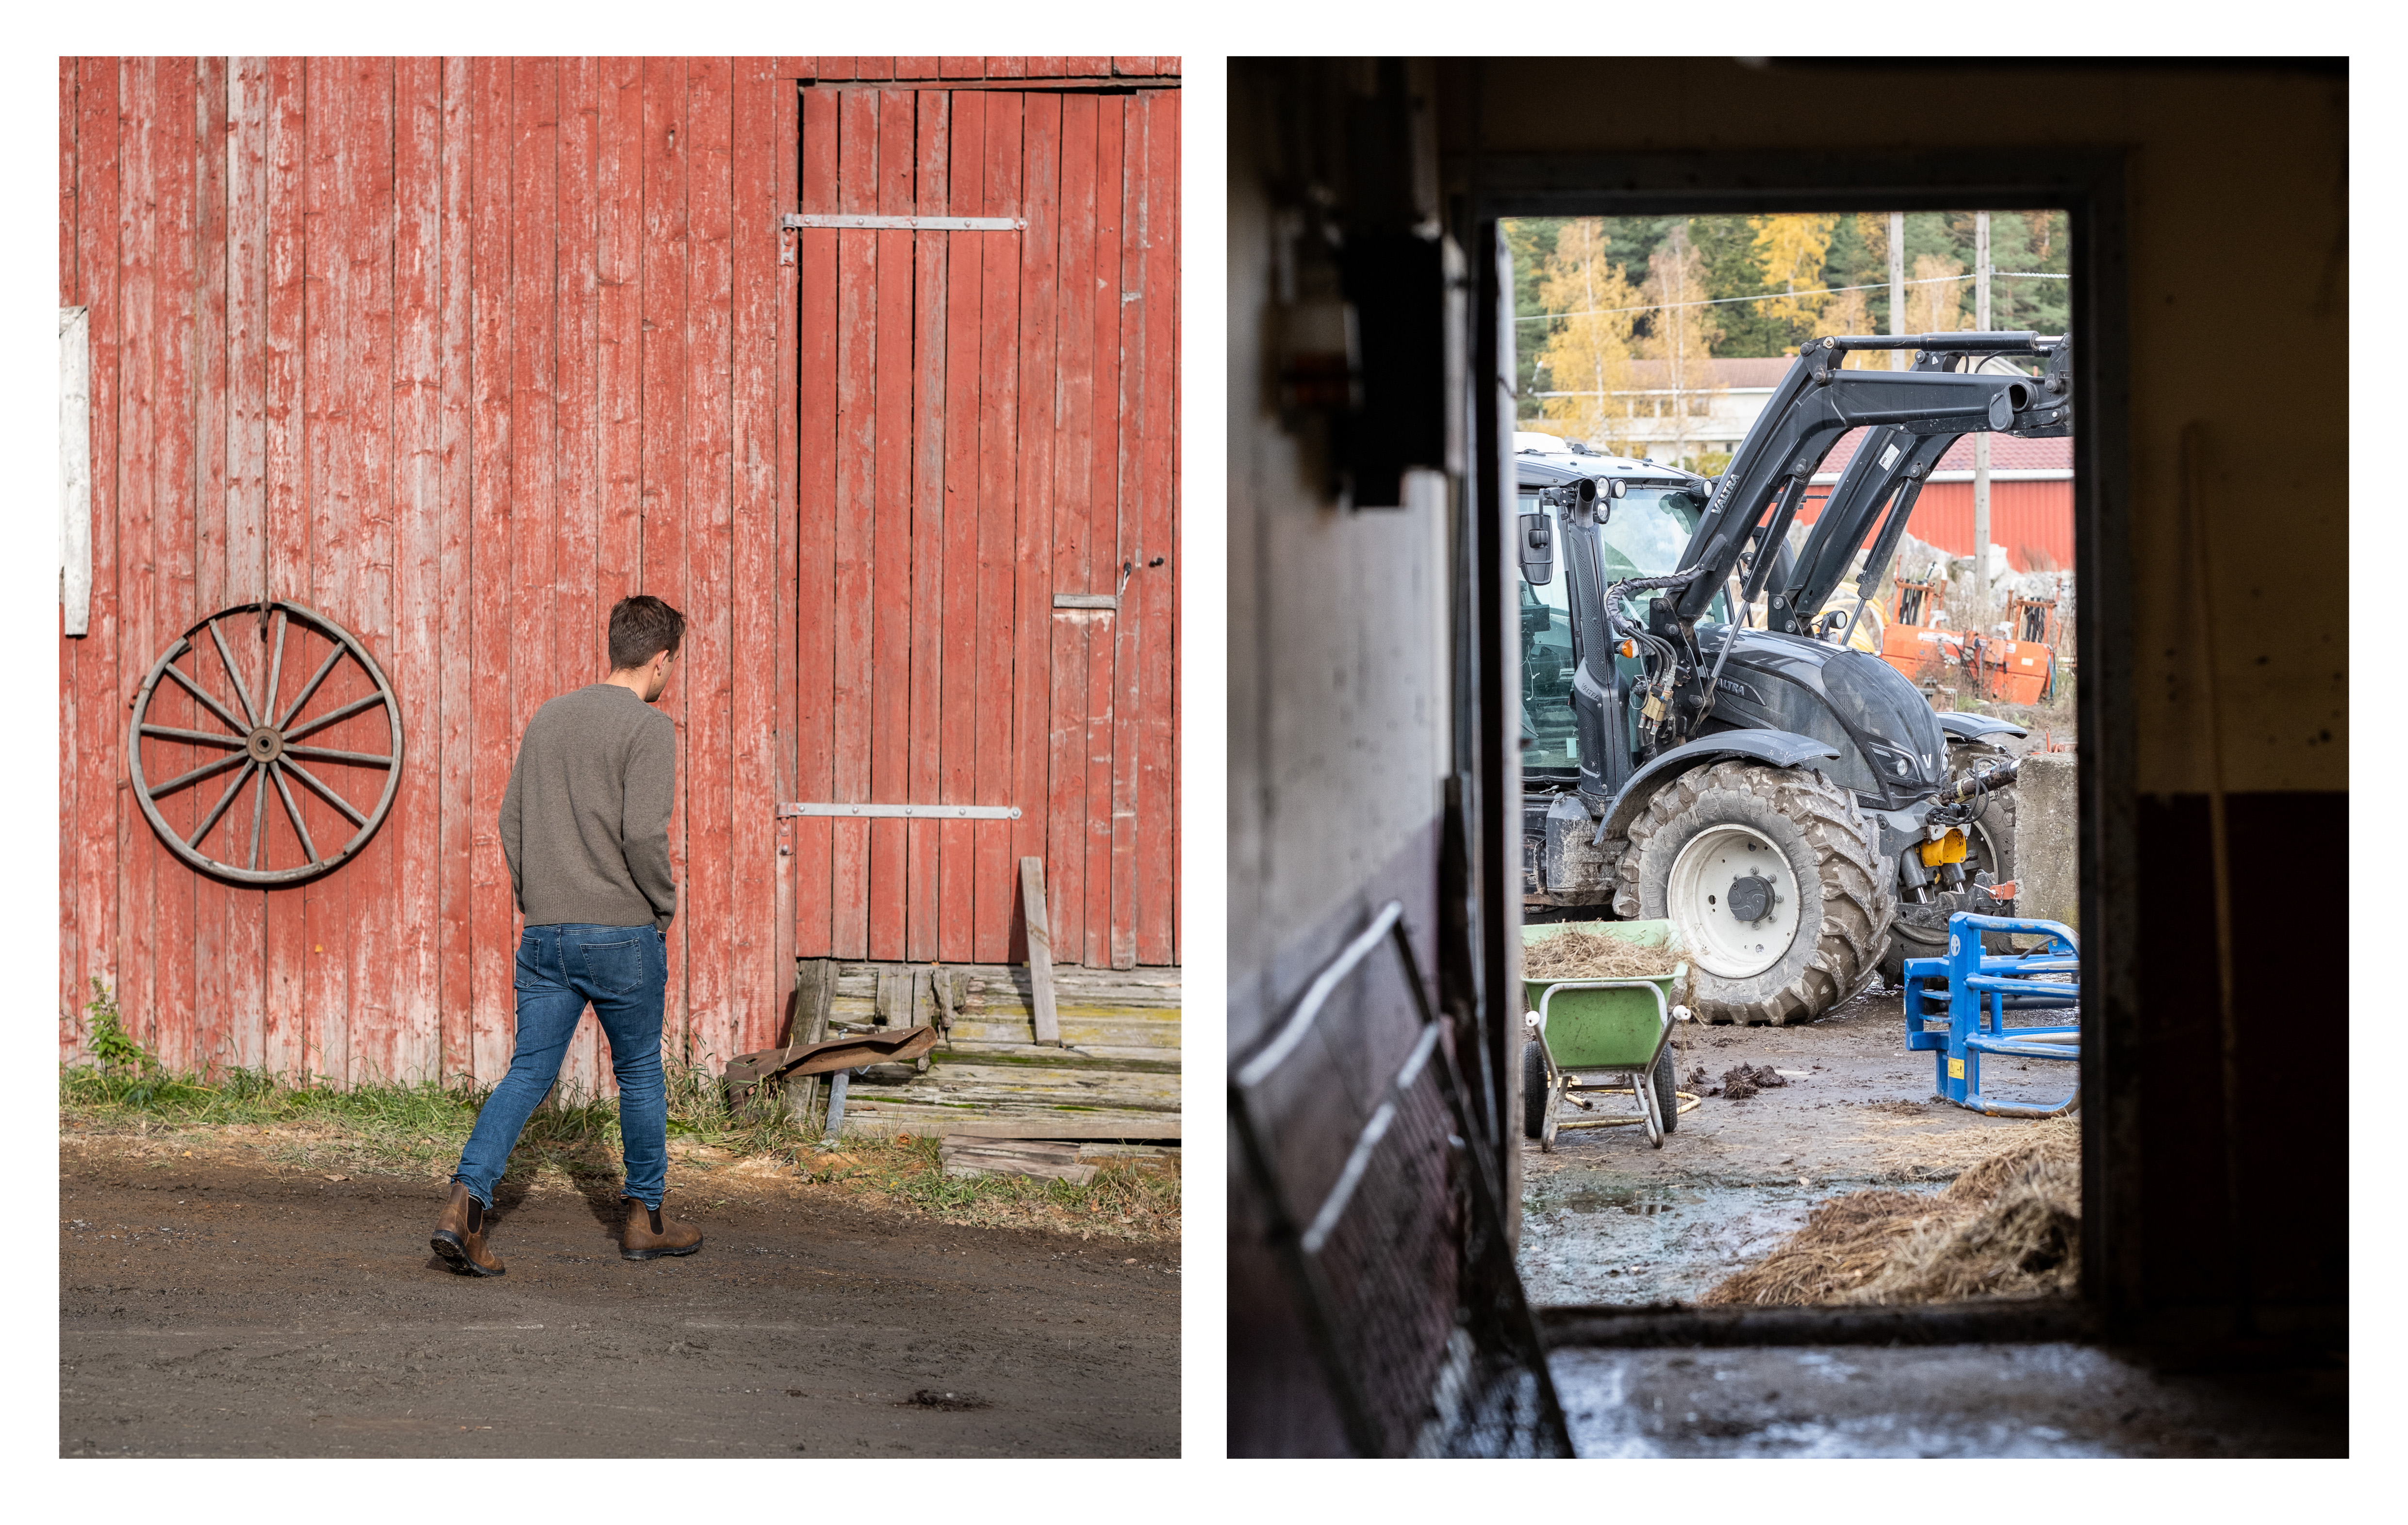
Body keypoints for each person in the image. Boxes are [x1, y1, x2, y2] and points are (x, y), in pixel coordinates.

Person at [429, 594, 703, 1275]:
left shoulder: (549, 718)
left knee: (528, 1073)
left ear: (615, 645)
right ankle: (645, 1219)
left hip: (546, 933)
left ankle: (465, 1208)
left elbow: (509, 820)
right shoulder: (649, 729)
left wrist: (538, 898)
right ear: (663, 658)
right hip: (622, 933)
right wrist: (661, 905)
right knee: (639, 1073)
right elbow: (643, 833)